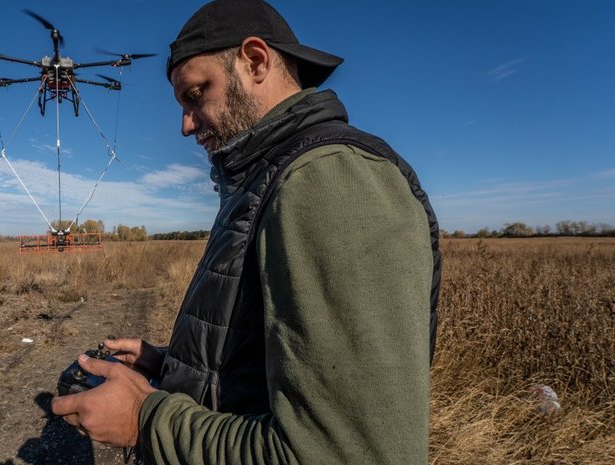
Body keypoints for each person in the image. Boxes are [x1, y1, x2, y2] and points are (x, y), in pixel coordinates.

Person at [51, 0, 441, 463]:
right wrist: (173, 366)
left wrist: (147, 419)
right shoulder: (264, 180)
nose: (184, 125)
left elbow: (347, 453)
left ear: (255, 61)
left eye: (196, 95)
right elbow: (268, 372)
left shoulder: (329, 180)